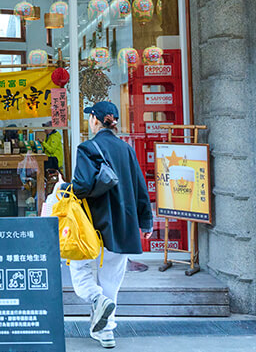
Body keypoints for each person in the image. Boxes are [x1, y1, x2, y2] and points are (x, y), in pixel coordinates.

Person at [69, 101, 153, 349]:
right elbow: (140, 186)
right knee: (111, 281)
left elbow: (81, 187)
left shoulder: (87, 148)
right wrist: (145, 220)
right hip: (123, 226)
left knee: (80, 271)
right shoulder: (126, 149)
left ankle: (96, 299)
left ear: (95, 119)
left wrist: (64, 187)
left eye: (90, 117)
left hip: (92, 226)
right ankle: (106, 333)